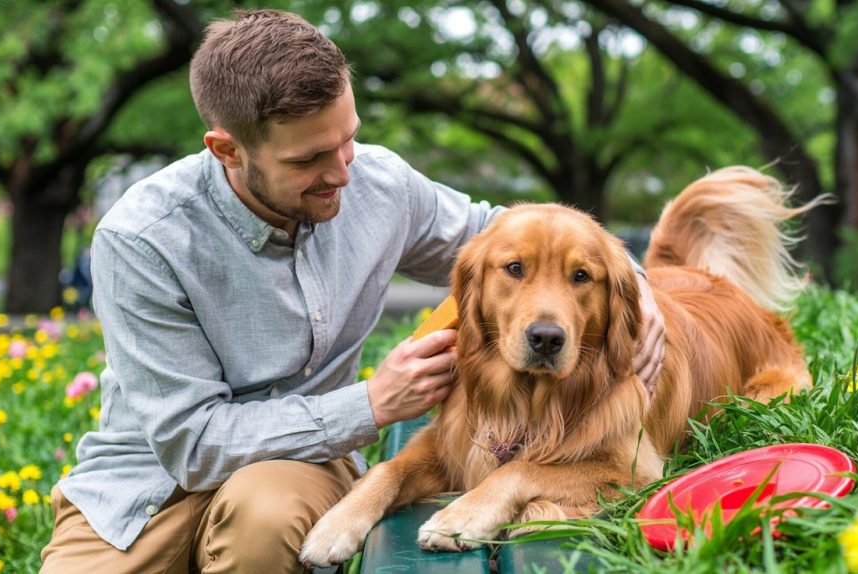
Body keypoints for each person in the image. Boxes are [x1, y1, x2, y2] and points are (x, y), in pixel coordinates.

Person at [39, 9, 665, 573]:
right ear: (227, 149)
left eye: (348, 139)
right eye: (310, 159)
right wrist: (371, 404)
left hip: (297, 470)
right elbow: (193, 444)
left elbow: (501, 233)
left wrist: (634, 281)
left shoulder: (379, 182)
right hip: (143, 487)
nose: (342, 172)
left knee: (265, 523)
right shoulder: (142, 239)